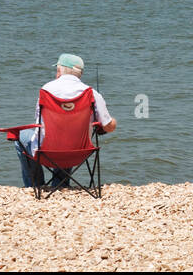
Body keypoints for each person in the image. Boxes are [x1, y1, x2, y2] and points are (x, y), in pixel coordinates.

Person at [14, 53, 117, 189]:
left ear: (59, 70)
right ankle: (60, 184)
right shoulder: (91, 93)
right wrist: (111, 122)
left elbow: (38, 121)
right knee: (70, 134)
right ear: (79, 74)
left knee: (20, 137)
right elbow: (108, 126)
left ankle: (35, 185)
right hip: (79, 152)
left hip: (45, 152)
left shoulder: (46, 90)